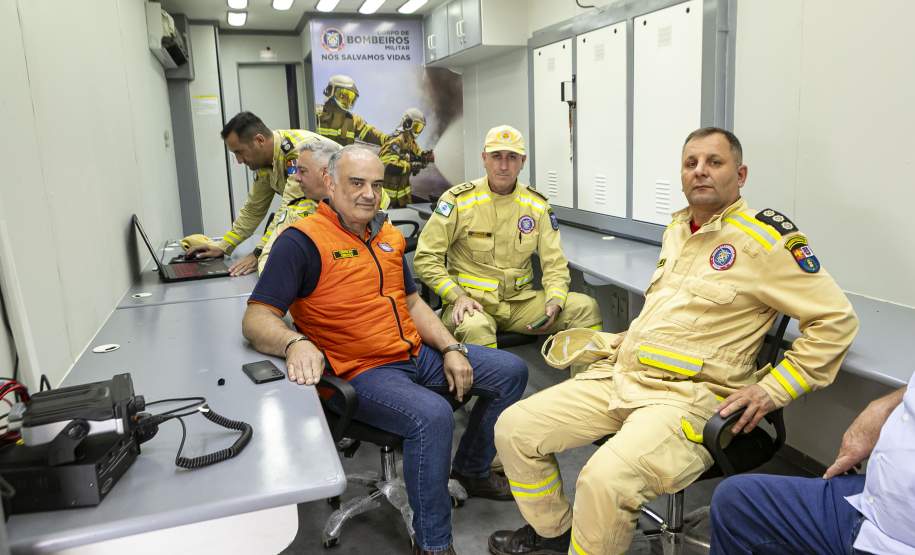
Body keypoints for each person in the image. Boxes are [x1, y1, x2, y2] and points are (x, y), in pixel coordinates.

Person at [487, 127, 860, 555]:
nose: (700, 171)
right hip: (625, 373)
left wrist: (773, 390)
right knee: (514, 429)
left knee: (602, 479)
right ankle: (556, 535)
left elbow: (836, 322)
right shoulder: (679, 229)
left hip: (689, 397)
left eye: (714, 163)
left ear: (740, 174)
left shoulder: (765, 242)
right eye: (691, 163)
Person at [242, 145, 528, 555]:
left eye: (376, 185)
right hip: (360, 372)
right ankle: (433, 545)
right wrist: (295, 341)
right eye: (356, 183)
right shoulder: (301, 241)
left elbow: (412, 303)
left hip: (413, 355)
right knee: (431, 417)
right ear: (329, 183)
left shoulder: (387, 234)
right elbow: (256, 318)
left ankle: (472, 470)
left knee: (511, 371)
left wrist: (450, 347)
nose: (368, 194)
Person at [413, 125, 602, 353]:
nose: (503, 165)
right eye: (496, 156)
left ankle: (585, 385)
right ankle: (485, 388)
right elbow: (425, 259)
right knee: (477, 328)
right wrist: (457, 296)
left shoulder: (537, 206)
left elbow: (554, 264)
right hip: (471, 304)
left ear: (522, 161)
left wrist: (555, 299)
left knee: (585, 308)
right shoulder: (458, 201)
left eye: (512, 157)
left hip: (519, 304)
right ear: (484, 158)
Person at [710, 372, 914, 554]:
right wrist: (884, 406)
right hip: (873, 498)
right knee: (736, 502)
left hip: (897, 539)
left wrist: (770, 390)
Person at [186, 111, 323, 275]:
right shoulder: (266, 163)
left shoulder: (298, 151)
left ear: (259, 140)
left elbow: (290, 210)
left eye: (239, 152)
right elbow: (253, 209)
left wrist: (258, 253)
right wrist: (223, 246)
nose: (239, 160)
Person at [257, 139, 393, 274]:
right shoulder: (295, 212)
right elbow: (268, 262)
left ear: (325, 174)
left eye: (303, 171)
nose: (297, 177)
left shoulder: (367, 212)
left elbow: (390, 263)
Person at [379, 108, 433, 208]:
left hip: (401, 199)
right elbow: (388, 166)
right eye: (416, 126)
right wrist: (411, 166)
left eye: (420, 128)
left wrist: (424, 157)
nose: (418, 131)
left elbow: (417, 154)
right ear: (407, 123)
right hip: (388, 200)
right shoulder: (396, 141)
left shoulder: (411, 142)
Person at [316, 75, 388, 147]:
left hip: (342, 157)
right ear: (330, 91)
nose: (346, 101)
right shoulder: (314, 114)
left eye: (350, 98)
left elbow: (373, 135)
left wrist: (389, 139)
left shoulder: (354, 121)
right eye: (343, 96)